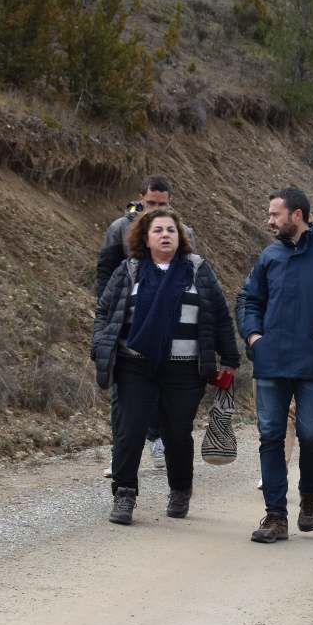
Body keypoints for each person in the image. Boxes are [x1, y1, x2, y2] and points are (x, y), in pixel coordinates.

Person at [92, 206, 238, 524]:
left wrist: (229, 359)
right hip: (135, 366)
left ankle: (180, 490)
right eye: (158, 230)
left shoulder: (197, 270)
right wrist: (100, 346)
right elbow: (105, 311)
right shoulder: (129, 270)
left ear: (181, 236)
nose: (165, 235)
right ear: (145, 237)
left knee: (176, 433)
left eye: (171, 230)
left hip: (184, 369)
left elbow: (219, 314)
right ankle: (124, 494)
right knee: (129, 431)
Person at [239, 187, 313, 543]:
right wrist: (253, 337)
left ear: (297, 215)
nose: (269, 220)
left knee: (310, 434)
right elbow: (249, 299)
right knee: (271, 436)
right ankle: (275, 516)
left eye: (275, 214)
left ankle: (309, 497)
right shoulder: (270, 255)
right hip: (271, 362)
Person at [95, 175, 200, 477]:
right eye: (150, 202)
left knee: (162, 389)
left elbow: (194, 273)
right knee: (123, 396)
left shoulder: (182, 232)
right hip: (127, 326)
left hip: (170, 327)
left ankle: (157, 441)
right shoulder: (120, 228)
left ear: (170, 203)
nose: (155, 208)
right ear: (140, 198)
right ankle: (121, 456)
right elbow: (105, 271)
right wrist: (106, 312)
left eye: (162, 204)